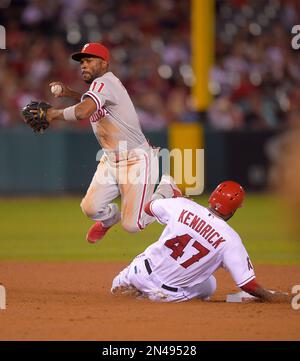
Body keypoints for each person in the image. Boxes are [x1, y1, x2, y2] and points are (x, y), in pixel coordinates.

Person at [46, 42, 180, 242]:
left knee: (133, 225)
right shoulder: (101, 88)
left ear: (104, 63)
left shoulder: (106, 82)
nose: (83, 65)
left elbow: (83, 111)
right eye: (82, 61)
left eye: (89, 60)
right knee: (90, 208)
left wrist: (52, 114)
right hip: (110, 159)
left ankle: (166, 189)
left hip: (136, 160)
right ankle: (109, 219)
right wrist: (70, 93)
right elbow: (90, 104)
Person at [111, 181, 290, 303]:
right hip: (166, 294)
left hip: (139, 271)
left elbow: (148, 207)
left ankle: (130, 287)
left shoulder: (181, 204)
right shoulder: (230, 239)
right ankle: (147, 295)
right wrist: (270, 297)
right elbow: (248, 284)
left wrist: (175, 201)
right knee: (210, 283)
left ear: (212, 197)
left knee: (119, 289)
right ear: (235, 209)